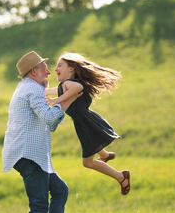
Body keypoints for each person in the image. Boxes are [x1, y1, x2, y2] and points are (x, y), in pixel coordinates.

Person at [2, 51, 81, 213]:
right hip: (28, 154)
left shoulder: (27, 87)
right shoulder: (33, 89)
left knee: (60, 191)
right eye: (44, 68)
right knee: (39, 204)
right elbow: (48, 118)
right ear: (33, 71)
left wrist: (63, 103)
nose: (48, 72)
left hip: (31, 154)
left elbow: (50, 124)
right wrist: (66, 101)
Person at [45, 52, 130, 195]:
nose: (55, 69)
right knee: (89, 158)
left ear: (71, 68)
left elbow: (78, 89)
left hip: (86, 122)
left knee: (88, 162)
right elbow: (51, 90)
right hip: (85, 121)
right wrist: (35, 91)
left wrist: (56, 101)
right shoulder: (64, 85)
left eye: (59, 65)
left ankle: (122, 177)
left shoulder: (71, 84)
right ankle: (105, 156)